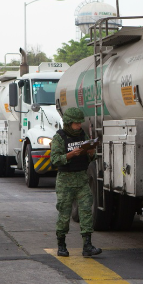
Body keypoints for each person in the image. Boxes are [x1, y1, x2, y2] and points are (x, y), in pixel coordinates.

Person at [50, 107, 102, 257]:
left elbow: (89, 158)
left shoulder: (82, 135)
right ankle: (61, 244)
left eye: (80, 123)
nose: (79, 125)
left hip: (81, 179)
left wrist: (91, 153)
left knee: (86, 211)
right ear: (68, 123)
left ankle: (87, 245)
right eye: (76, 123)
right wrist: (71, 154)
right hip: (65, 182)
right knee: (64, 214)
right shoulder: (59, 137)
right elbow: (55, 160)